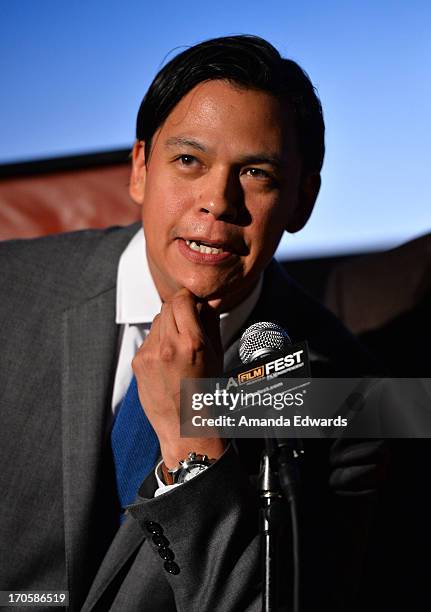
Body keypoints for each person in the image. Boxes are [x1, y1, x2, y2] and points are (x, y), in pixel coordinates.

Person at [0, 35, 384, 611]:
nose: (218, 201)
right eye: (188, 161)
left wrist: (192, 437)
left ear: (303, 201)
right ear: (138, 169)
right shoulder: (11, 291)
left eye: (256, 173)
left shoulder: (353, 396)